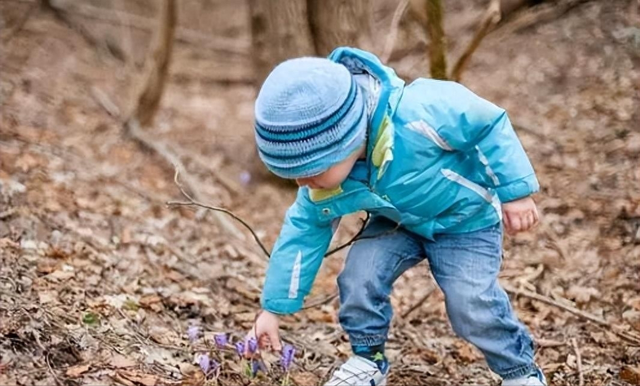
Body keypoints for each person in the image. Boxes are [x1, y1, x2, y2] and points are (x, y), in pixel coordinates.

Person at [246, 47, 546, 386]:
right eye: (294, 175)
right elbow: (300, 236)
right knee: (359, 278)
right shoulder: (324, 185)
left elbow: (487, 123)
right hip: (398, 224)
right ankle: (368, 359)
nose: (304, 183)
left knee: (470, 302)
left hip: (465, 220)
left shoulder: (421, 111)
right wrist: (272, 309)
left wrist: (516, 192)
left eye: (312, 170)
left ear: (347, 140)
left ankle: (519, 371)